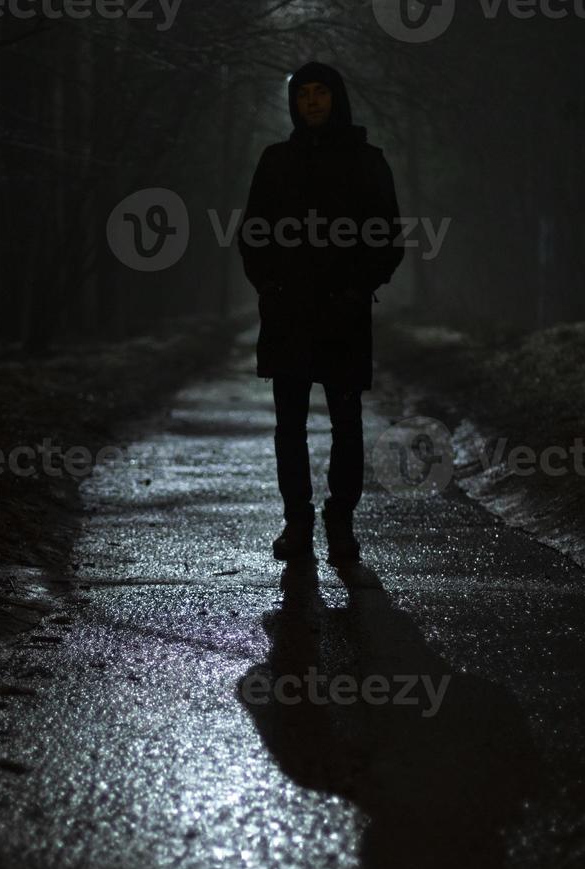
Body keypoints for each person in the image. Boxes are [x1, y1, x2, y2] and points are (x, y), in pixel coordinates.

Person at [239, 61, 404, 565]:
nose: (312, 102)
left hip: (343, 313)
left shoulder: (367, 161)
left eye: (321, 93)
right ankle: (298, 523)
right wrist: (270, 284)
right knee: (289, 424)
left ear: (336, 98)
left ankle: (341, 524)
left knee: (346, 422)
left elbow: (387, 235)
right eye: (304, 93)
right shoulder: (276, 161)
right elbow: (253, 232)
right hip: (289, 312)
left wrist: (358, 288)